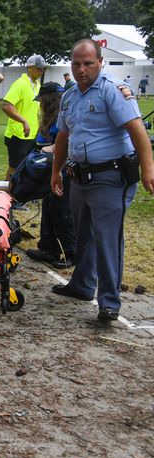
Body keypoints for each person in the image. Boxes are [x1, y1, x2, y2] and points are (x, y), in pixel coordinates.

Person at [51, 39, 154, 325]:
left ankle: (109, 302)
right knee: (82, 234)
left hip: (111, 177)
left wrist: (149, 170)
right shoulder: (70, 96)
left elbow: (137, 131)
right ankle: (82, 286)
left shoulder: (113, 90)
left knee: (107, 239)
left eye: (88, 63)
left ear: (100, 62)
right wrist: (55, 170)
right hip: (79, 177)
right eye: (76, 63)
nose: (82, 69)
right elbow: (63, 135)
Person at [24, 82, 76, 269]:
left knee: (62, 210)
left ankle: (72, 251)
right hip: (52, 169)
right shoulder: (49, 119)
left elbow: (67, 142)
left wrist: (51, 149)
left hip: (66, 170)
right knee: (49, 206)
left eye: (41, 101)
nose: (39, 105)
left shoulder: (64, 116)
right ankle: (48, 247)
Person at [2, 54, 46, 180]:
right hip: (18, 135)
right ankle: (8, 196)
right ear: (30, 67)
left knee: (27, 168)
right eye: (39, 68)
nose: (42, 71)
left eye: (43, 68)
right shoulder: (20, 84)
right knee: (14, 168)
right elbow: (6, 105)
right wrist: (23, 121)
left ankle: (18, 194)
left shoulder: (37, 85)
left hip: (33, 135)